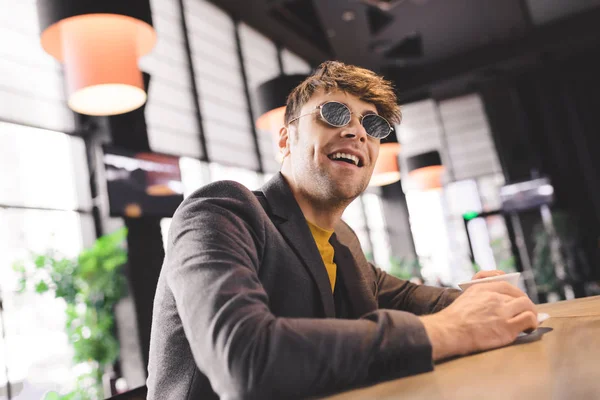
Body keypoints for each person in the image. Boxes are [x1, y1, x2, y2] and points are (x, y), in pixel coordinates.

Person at [146, 61, 539, 399]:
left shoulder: (343, 240)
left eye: (372, 125)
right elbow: (243, 359)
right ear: (286, 137)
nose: (358, 132)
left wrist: (478, 299)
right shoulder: (221, 211)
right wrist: (450, 330)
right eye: (333, 114)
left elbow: (409, 299)